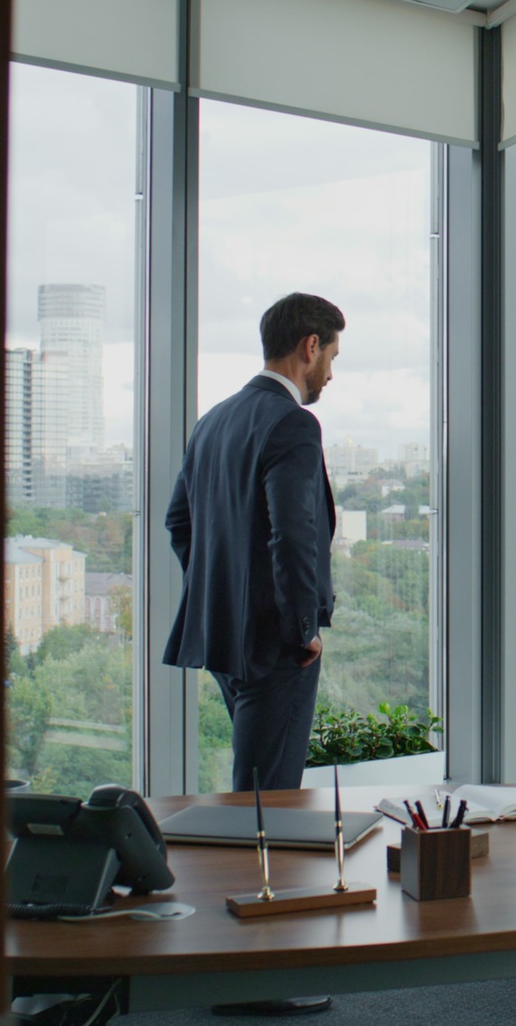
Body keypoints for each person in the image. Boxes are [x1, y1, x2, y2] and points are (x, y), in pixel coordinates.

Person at [164, 292, 341, 794]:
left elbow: (180, 522)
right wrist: (302, 626)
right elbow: (294, 535)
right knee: (269, 799)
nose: (330, 374)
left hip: (224, 638)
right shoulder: (293, 423)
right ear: (311, 346)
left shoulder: (214, 421)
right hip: (278, 644)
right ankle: (260, 876)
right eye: (331, 357)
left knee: (255, 787)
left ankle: (251, 872)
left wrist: (221, 593)